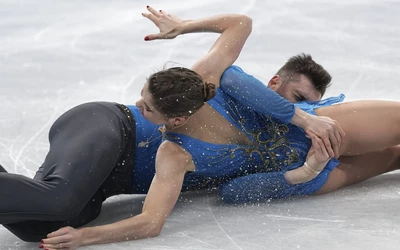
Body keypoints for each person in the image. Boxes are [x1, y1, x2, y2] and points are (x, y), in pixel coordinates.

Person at [40, 6, 400, 249]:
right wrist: (306, 172)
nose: (142, 107)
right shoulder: (202, 118)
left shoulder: (245, 95)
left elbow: (237, 42)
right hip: (309, 170)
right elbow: (233, 193)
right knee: (392, 160)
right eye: (294, 96)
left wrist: (305, 119)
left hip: (314, 131)